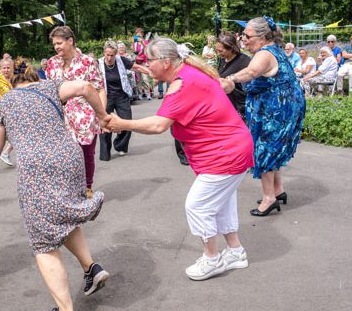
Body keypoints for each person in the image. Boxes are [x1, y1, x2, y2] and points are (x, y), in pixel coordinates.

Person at [107, 37, 254, 281]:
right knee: (221, 203)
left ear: (165, 62)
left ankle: (212, 258)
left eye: (149, 60)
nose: (146, 65)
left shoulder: (182, 85)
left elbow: (158, 125)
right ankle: (236, 252)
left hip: (224, 153)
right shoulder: (188, 72)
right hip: (228, 149)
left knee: (197, 206)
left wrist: (122, 124)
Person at [0, 59, 108, 311]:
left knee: (43, 241)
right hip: (70, 156)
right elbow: (86, 87)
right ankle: (91, 268)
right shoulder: (51, 87)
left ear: (11, 81)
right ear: (33, 75)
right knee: (61, 217)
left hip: (37, 168)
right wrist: (102, 116)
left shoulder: (4, 103)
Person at [222, 17, 305, 217]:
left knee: (265, 149)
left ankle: (269, 199)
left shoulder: (265, 53)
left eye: (247, 36)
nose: (243, 39)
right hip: (286, 105)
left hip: (275, 109)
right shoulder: (276, 49)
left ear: (262, 37)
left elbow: (251, 71)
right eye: (243, 35)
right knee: (275, 148)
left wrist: (230, 79)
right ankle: (277, 190)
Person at [45, 26, 106, 199]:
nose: (56, 47)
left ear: (70, 40)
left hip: (85, 116)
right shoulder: (52, 63)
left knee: (86, 154)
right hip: (61, 118)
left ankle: (87, 186)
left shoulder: (87, 62)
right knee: (64, 155)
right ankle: (69, 187)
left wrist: (103, 116)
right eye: (54, 44)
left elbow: (100, 89)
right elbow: (49, 90)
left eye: (59, 43)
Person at [98, 40, 150, 161]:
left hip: (122, 96)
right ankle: (105, 153)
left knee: (127, 122)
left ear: (116, 53)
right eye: (107, 54)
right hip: (105, 96)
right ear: (104, 52)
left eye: (112, 55)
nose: (110, 57)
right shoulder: (98, 63)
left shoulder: (121, 60)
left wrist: (150, 72)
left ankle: (120, 145)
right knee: (105, 125)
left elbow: (136, 67)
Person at [215, 32, 251, 120]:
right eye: (216, 50)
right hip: (226, 106)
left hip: (240, 109)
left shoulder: (244, 62)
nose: (218, 53)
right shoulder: (223, 59)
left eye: (221, 51)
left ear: (231, 49)